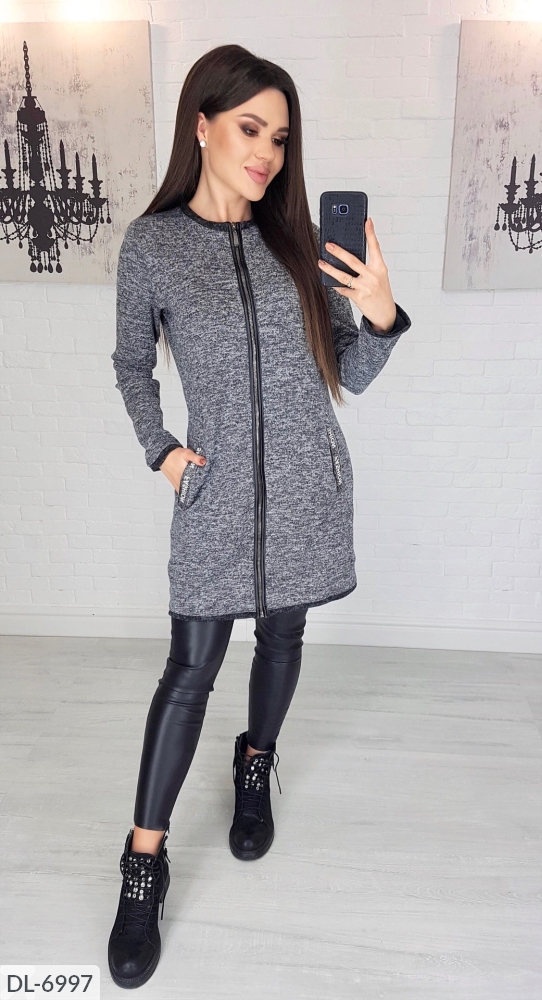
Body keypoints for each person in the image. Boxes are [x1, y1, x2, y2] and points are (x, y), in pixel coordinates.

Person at [107, 43, 412, 989]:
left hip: (309, 488)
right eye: (251, 129)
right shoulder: (153, 246)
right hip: (215, 493)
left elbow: (348, 374)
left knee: (284, 634)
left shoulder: (301, 244)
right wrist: (162, 450)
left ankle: (256, 761)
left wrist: (381, 314)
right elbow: (129, 363)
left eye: (280, 138)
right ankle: (143, 861)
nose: (268, 153)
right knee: (188, 670)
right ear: (201, 124)